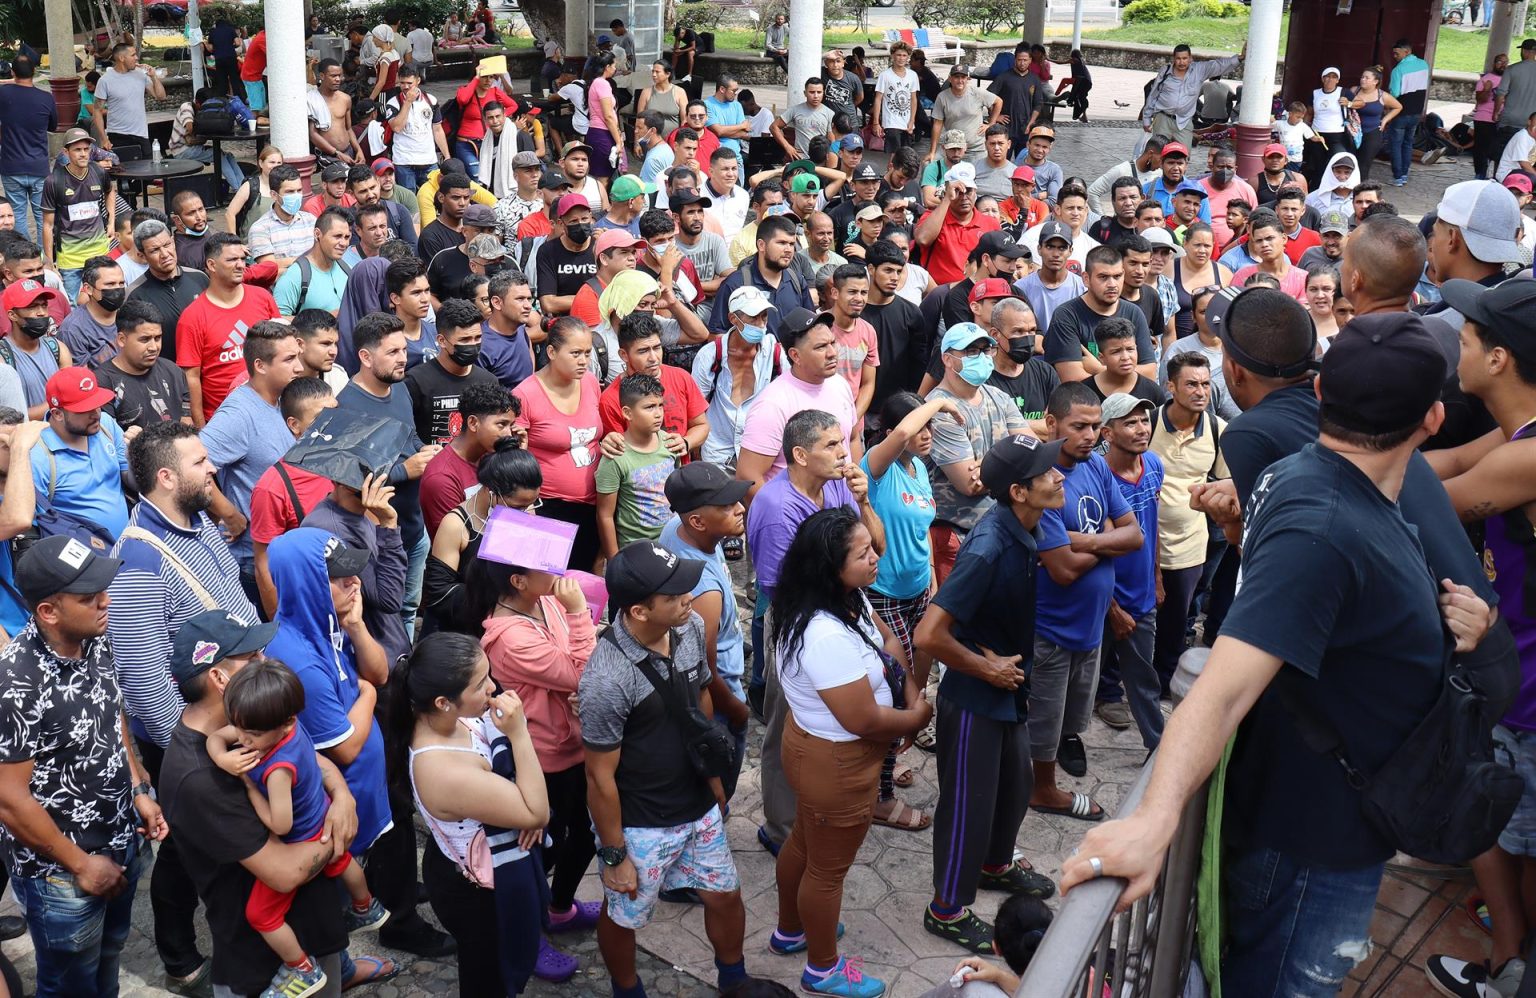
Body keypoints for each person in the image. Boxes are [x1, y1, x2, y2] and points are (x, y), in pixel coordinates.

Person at [1060, 313, 1486, 997]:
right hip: (1309, 848)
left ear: (1321, 396)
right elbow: (1225, 684)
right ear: (1432, 420)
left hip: (1335, 829)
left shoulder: (1315, 481)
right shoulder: (1323, 526)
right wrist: (1153, 818)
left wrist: (1454, 623)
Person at [912, 430, 1065, 952]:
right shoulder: (989, 544)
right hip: (977, 696)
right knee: (967, 807)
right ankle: (947, 909)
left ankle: (995, 864)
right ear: (1018, 491)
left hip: (1008, 688)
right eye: (1047, 472)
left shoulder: (1027, 524)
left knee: (1015, 786)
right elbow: (928, 634)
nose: (1059, 475)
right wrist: (984, 667)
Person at [769, 506, 931, 995]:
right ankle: (822, 967)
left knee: (803, 841)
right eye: (863, 554)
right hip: (836, 763)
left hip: (822, 754)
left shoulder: (844, 596)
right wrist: (916, 718)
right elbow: (860, 718)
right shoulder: (820, 634)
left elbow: (884, 638)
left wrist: (904, 691)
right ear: (829, 567)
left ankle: (791, 930)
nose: (875, 557)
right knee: (826, 868)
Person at [579, 541, 751, 996]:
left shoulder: (689, 626)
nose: (688, 601)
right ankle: (627, 988)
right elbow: (598, 776)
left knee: (725, 897)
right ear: (638, 610)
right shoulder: (606, 678)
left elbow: (699, 700)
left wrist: (713, 779)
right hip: (642, 824)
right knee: (624, 914)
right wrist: (614, 855)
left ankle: (734, 979)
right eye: (673, 596)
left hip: (697, 806)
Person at [158, 609, 355, 998]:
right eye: (251, 658)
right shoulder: (198, 778)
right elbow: (283, 873)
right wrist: (337, 834)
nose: (266, 662)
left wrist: (343, 797)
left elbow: (313, 761)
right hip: (266, 969)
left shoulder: (257, 719)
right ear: (219, 677)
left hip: (310, 931)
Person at [206, 660, 388, 998]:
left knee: (260, 914)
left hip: (300, 837)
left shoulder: (277, 768)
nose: (243, 739)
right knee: (342, 858)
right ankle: (366, 906)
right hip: (319, 814)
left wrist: (247, 787)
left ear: (285, 721)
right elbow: (218, 737)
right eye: (239, 727)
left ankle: (302, 967)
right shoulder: (279, 724)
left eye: (252, 734)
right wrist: (222, 757)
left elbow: (280, 823)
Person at [1030, 382, 1142, 820]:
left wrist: (1081, 542)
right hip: (1052, 626)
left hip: (1091, 622)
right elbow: (1061, 568)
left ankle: (1063, 744)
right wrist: (1105, 544)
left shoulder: (1095, 467)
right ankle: (1042, 788)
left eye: (1096, 426)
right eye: (1079, 426)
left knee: (1074, 709)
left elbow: (1135, 534)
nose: (1091, 435)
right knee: (1043, 715)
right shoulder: (1041, 477)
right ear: (1051, 422)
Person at [1090, 393, 1166, 747]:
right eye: (1130, 422)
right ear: (1107, 433)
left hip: (1142, 596)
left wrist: (1157, 576)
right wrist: (1113, 609)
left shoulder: (1153, 465)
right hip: (1100, 601)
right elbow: (1095, 549)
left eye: (1144, 421)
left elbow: (1153, 525)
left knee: (1143, 680)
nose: (1141, 429)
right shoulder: (1096, 477)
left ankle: (1158, 746)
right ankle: (1058, 749)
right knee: (1080, 682)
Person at [512, 318, 603, 570]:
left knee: (582, 580)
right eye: (575, 353)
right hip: (546, 506)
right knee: (547, 580)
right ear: (551, 352)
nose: (583, 360)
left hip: (592, 504)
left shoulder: (591, 383)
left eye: (587, 352)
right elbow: (514, 455)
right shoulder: (525, 394)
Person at [249, 378, 338, 617]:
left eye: (336, 413)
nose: (332, 424)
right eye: (321, 418)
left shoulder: (348, 464)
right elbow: (264, 566)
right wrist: (281, 628)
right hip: (306, 607)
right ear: (294, 425)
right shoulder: (273, 488)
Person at [175, 233, 281, 425]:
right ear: (212, 265)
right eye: (232, 259)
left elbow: (283, 349)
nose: (241, 265)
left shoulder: (262, 298)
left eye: (243, 258)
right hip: (224, 420)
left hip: (271, 410)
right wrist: (202, 429)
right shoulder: (192, 317)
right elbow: (191, 378)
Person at [595, 374, 677, 557]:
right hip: (637, 550)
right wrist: (614, 559)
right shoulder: (615, 457)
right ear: (627, 413)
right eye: (649, 407)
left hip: (672, 542)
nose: (658, 413)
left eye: (660, 405)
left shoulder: (670, 443)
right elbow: (605, 515)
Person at [41, 129, 114, 302]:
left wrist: (111, 222)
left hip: (99, 253)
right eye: (77, 150)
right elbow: (47, 225)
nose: (83, 154)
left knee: (104, 300)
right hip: (70, 259)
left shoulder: (99, 172)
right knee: (72, 305)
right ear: (66, 152)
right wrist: (50, 262)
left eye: (86, 149)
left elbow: (111, 192)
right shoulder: (54, 181)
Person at [0, 55, 59, 244]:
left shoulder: (4, 94)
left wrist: (9, 81)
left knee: (16, 215)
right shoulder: (46, 97)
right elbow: (53, 126)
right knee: (43, 216)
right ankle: (42, 259)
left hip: (11, 165)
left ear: (12, 72)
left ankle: (23, 257)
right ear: (34, 71)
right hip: (39, 166)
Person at [1140, 43, 1243, 148]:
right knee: (1159, 152)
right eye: (1178, 59)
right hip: (1163, 117)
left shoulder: (1199, 70)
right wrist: (1147, 118)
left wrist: (1239, 58)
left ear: (1190, 59)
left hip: (1184, 121)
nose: (1181, 62)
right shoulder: (1165, 72)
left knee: (1184, 153)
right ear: (1173, 59)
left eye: (1184, 58)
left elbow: (1219, 65)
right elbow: (1153, 95)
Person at [92, 42, 167, 155]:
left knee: (146, 170)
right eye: (133, 55)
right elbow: (97, 110)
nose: (136, 58)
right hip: (117, 135)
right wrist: (103, 139)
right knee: (122, 171)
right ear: (122, 58)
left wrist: (153, 77)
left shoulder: (141, 75)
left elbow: (161, 97)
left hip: (141, 134)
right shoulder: (105, 80)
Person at [386, 66, 451, 192]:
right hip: (404, 161)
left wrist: (446, 155)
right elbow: (397, 127)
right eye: (402, 83)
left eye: (409, 83)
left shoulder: (431, 100)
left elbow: (437, 129)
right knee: (409, 200)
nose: (405, 87)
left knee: (433, 197)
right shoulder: (393, 103)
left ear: (418, 81)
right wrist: (408, 102)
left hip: (428, 160)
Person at [248, 166, 318, 271]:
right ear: (274, 195)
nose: (296, 196)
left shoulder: (311, 221)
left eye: (299, 190)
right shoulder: (260, 229)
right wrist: (309, 260)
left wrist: (284, 262)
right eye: (290, 192)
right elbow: (269, 267)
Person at [1232, 210, 1305, 302]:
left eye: (1269, 238)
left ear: (1284, 238)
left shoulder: (1303, 278)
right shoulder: (1242, 276)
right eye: (1259, 240)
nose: (1264, 244)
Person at [1344, 67, 1401, 183]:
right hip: (1353, 133)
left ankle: (1360, 192)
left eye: (1367, 78)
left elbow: (1398, 107)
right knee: (1348, 162)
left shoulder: (1382, 96)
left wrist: (1385, 120)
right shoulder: (1354, 90)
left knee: (1363, 165)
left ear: (1376, 81)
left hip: (1372, 133)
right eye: (1362, 77)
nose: (1363, 80)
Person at [1387, 39, 1430, 186]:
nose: (1394, 56)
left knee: (1396, 145)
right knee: (1408, 144)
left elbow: (1395, 94)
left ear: (1407, 51)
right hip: (1417, 112)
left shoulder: (1398, 70)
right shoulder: (1424, 65)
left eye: (1397, 53)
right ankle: (1405, 174)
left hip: (1401, 113)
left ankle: (1397, 177)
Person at [773, 80, 837, 159]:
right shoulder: (795, 110)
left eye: (819, 92)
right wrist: (787, 147)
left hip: (821, 160)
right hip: (800, 159)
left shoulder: (830, 113)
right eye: (812, 92)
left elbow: (832, 139)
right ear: (805, 93)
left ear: (823, 93)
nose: (816, 96)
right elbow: (774, 127)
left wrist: (831, 159)